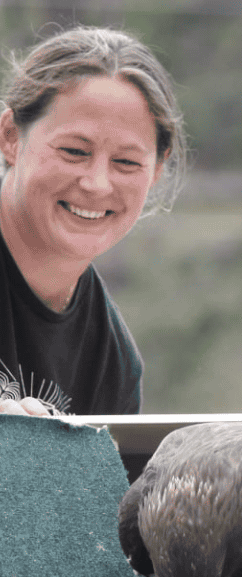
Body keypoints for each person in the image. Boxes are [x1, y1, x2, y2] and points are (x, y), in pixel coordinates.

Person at [0, 26, 186, 416]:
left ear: (155, 171)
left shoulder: (112, 361)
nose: (97, 184)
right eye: (73, 151)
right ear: (11, 137)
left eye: (126, 163)